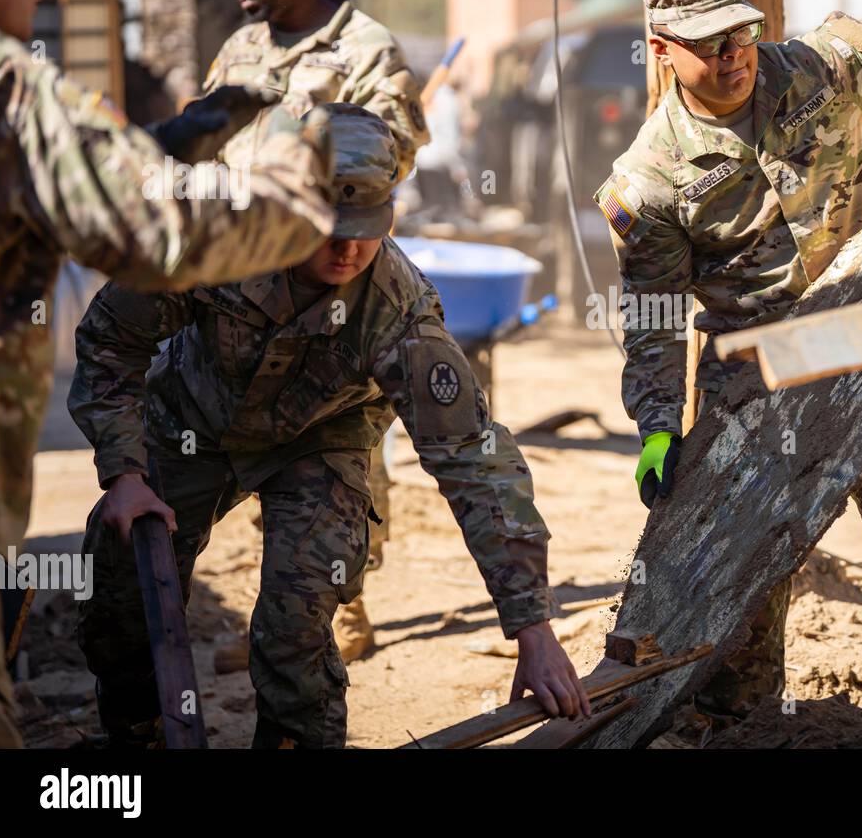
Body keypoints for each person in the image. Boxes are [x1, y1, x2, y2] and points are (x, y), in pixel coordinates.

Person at [70, 105, 588, 748]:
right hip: (189, 424)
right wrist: (123, 473)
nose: (347, 249)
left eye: (366, 226)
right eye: (326, 228)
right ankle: (137, 737)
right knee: (122, 594)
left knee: (294, 627)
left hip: (320, 439)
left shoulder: (399, 312)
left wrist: (532, 630)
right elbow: (109, 341)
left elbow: (474, 462)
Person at [599, 0, 862, 728]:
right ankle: (744, 728)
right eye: (709, 46)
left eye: (741, 37)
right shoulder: (648, 180)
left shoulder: (821, 67)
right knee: (742, 603)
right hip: (757, 398)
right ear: (660, 49)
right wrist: (656, 425)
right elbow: (653, 317)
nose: (732, 58)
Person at [0, 0, 336, 748]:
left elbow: (89, 169)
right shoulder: (8, 83)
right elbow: (150, 232)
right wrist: (300, 195)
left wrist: (212, 120)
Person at [206, 0, 432, 659]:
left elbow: (394, 148)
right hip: (250, 282)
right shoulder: (237, 51)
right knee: (265, 437)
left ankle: (346, 604)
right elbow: (204, 146)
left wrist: (302, 152)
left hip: (338, 277)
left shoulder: (364, 44)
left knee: (344, 439)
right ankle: (282, 614)